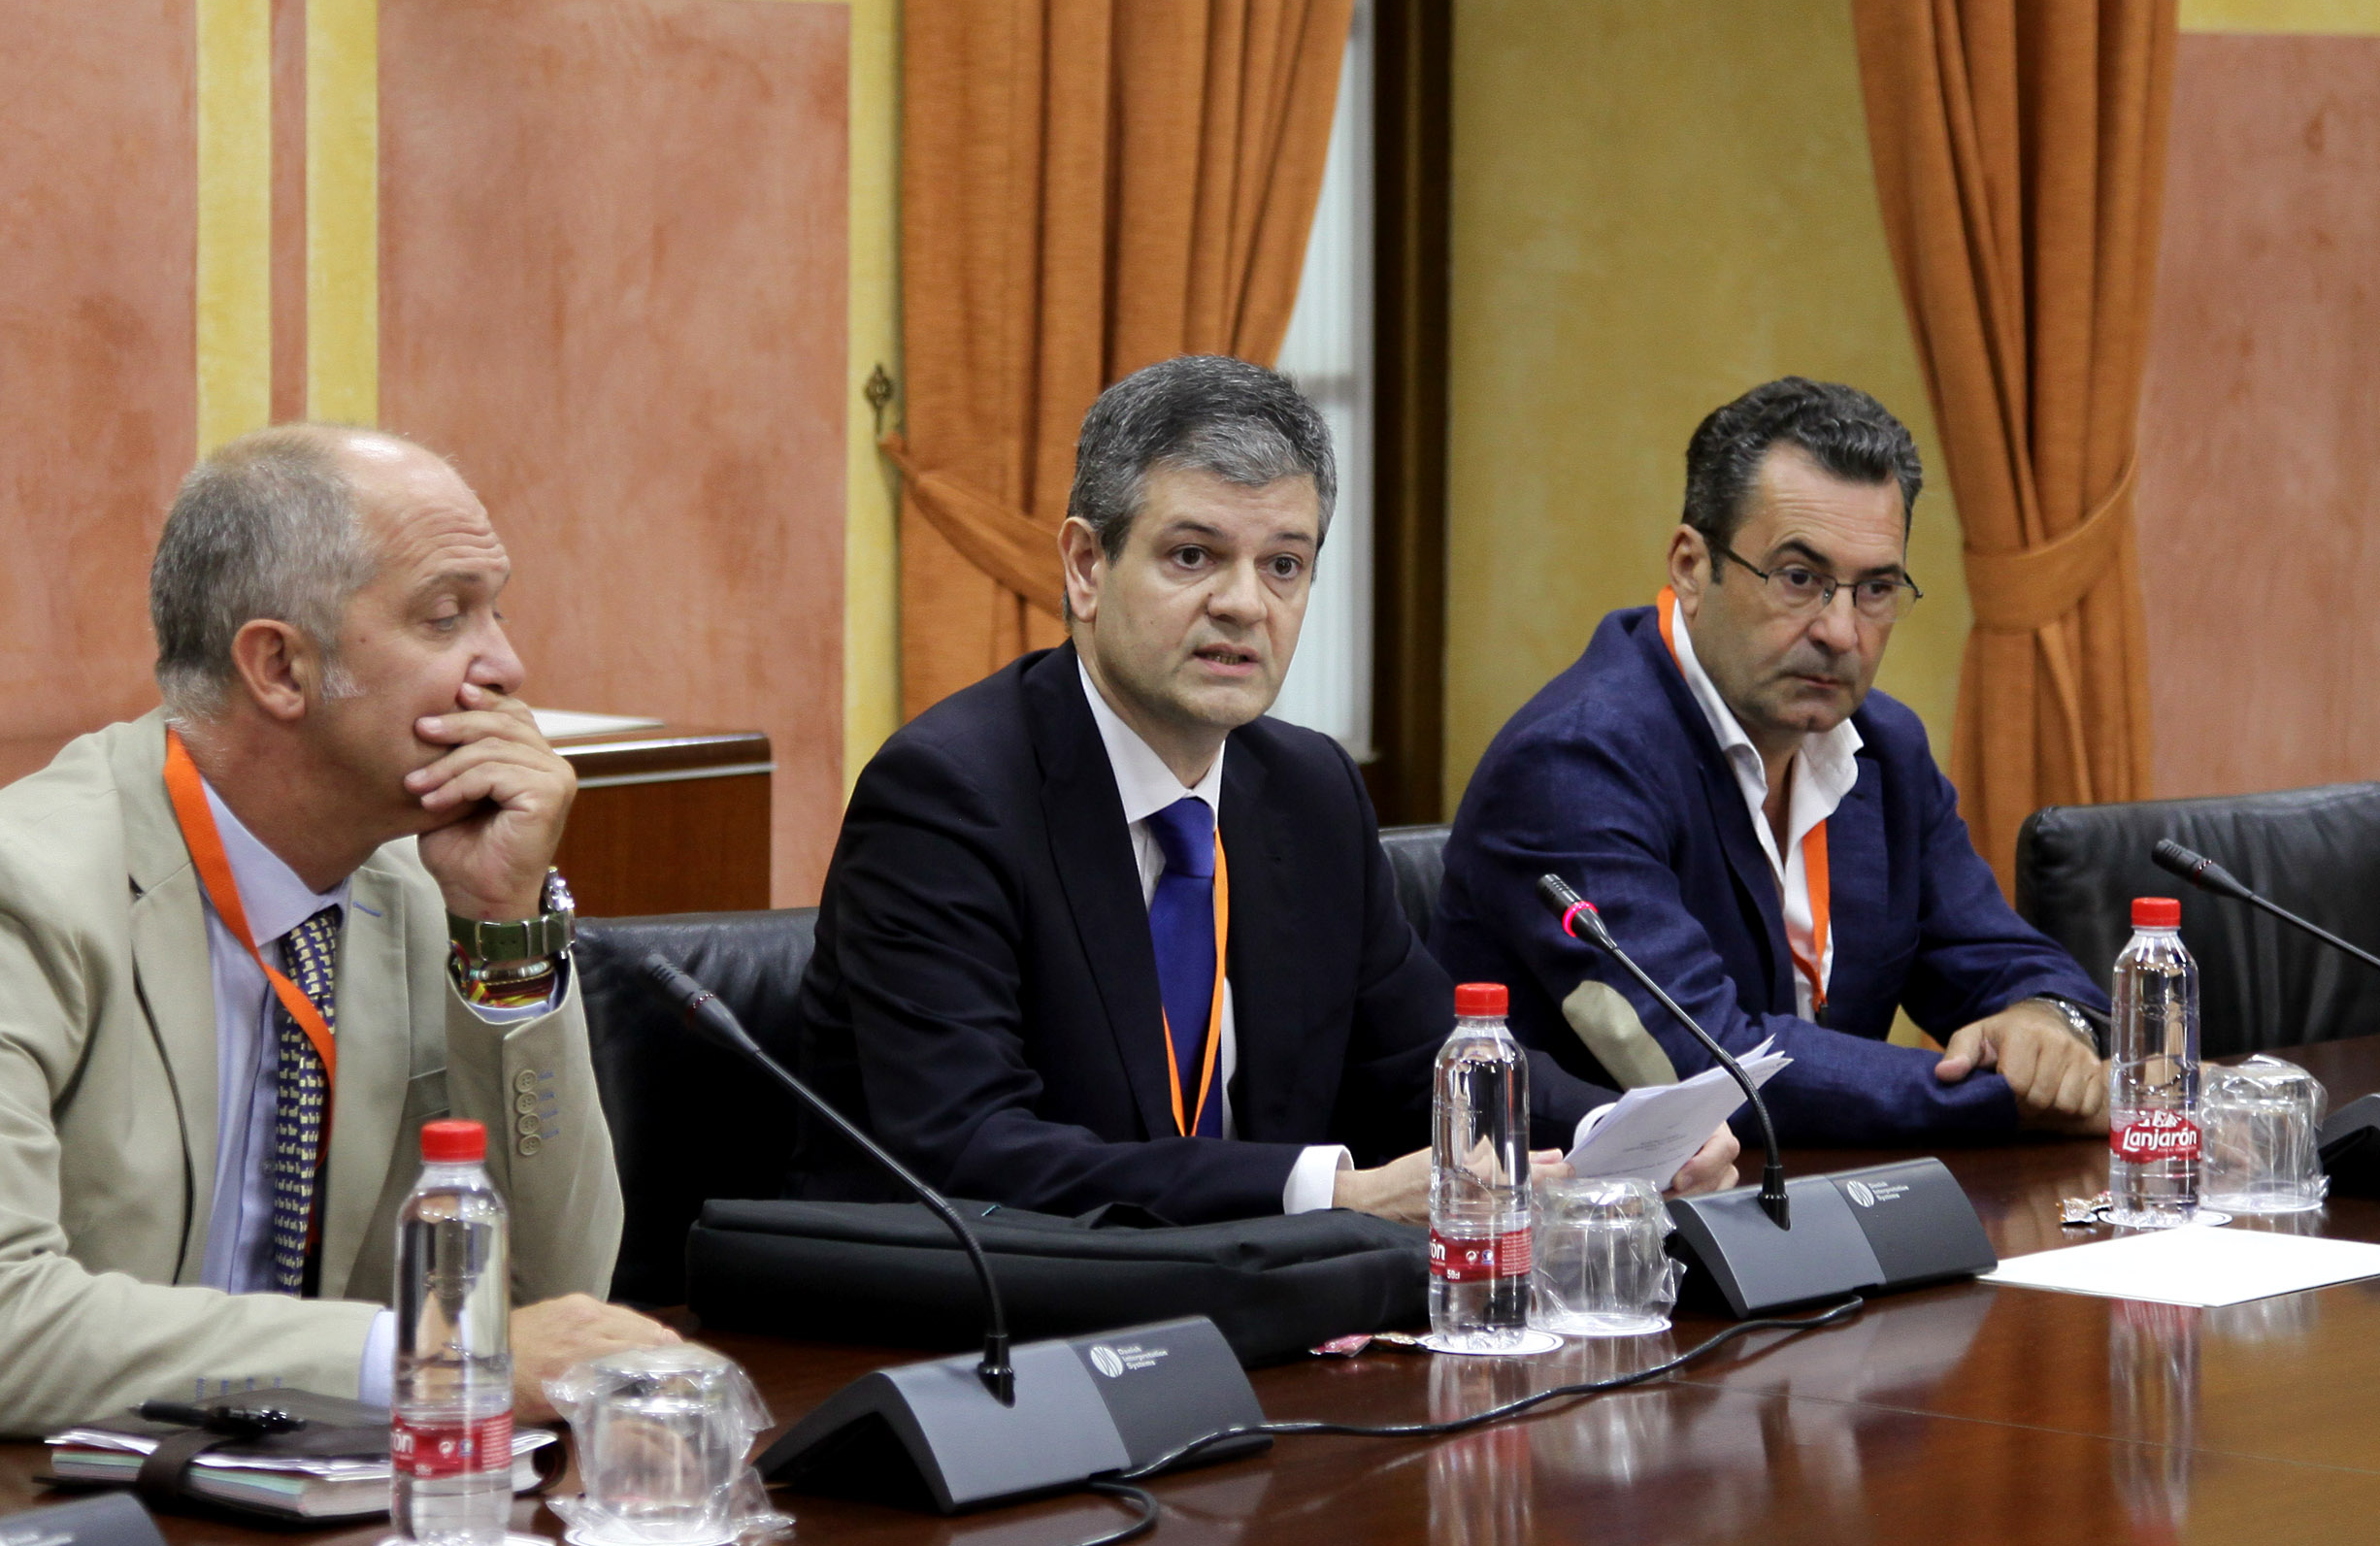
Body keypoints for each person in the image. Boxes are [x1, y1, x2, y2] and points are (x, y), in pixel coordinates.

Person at [0, 425, 669, 1509]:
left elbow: (558, 1298)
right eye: (446, 615)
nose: (507, 666)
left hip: (203, 1528)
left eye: (497, 607)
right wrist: (428, 1355)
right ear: (278, 664)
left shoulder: (426, 892)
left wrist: (504, 937)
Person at [793, 355, 1735, 1225]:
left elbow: (1419, 1065)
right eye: (1192, 555)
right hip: (987, 1343)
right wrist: (1327, 1194)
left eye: (1282, 564)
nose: (1245, 604)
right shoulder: (948, 796)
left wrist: (1628, 1134)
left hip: (1257, 1319)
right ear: (1085, 567)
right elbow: (972, 1150)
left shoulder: (1306, 789)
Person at [1436, 378, 2112, 1149]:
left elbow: (2004, 961)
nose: (1840, 630)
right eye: (1800, 578)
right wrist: (2004, 1100)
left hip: (1820, 1212)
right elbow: (1714, 1066)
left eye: (1877, 589)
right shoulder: (1574, 763)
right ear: (1691, 565)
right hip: (1590, 1238)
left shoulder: (1884, 748)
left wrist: (2043, 1028)